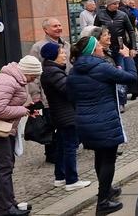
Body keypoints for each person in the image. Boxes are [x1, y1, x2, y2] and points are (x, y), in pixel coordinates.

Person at [67, 36, 138, 215]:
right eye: (98, 45)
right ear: (92, 50)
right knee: (108, 159)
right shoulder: (102, 67)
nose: (101, 47)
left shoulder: (74, 71)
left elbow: (71, 97)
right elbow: (131, 77)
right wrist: (127, 57)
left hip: (84, 120)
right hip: (104, 120)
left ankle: (106, 191)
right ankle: (103, 202)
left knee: (100, 157)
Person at [0, 56, 43, 216]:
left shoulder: (16, 79)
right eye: (34, 75)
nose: (35, 78)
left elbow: (8, 104)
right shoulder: (7, 80)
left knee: (7, 166)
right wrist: (23, 110)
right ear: (28, 71)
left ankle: (10, 203)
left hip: (2, 128)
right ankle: (5, 209)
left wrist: (26, 108)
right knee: (3, 168)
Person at [40, 43, 91, 191]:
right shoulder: (53, 72)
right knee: (70, 147)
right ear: (53, 55)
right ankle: (72, 180)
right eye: (61, 52)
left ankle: (60, 177)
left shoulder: (51, 70)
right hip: (66, 115)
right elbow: (68, 90)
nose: (64, 55)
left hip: (61, 114)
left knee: (62, 146)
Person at [29, 18, 72, 163]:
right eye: (55, 26)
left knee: (64, 124)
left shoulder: (66, 45)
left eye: (60, 25)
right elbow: (33, 73)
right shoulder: (38, 47)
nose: (59, 28)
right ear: (46, 30)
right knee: (51, 124)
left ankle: (62, 151)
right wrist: (35, 95)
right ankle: (52, 154)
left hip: (65, 91)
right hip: (48, 93)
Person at [94, 0, 137, 112]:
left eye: (118, 3)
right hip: (104, 49)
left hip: (119, 49)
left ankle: (121, 101)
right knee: (106, 74)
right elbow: (95, 32)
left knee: (120, 73)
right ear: (108, 4)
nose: (117, 6)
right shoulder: (100, 15)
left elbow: (131, 31)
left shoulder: (123, 15)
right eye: (114, 4)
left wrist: (133, 47)